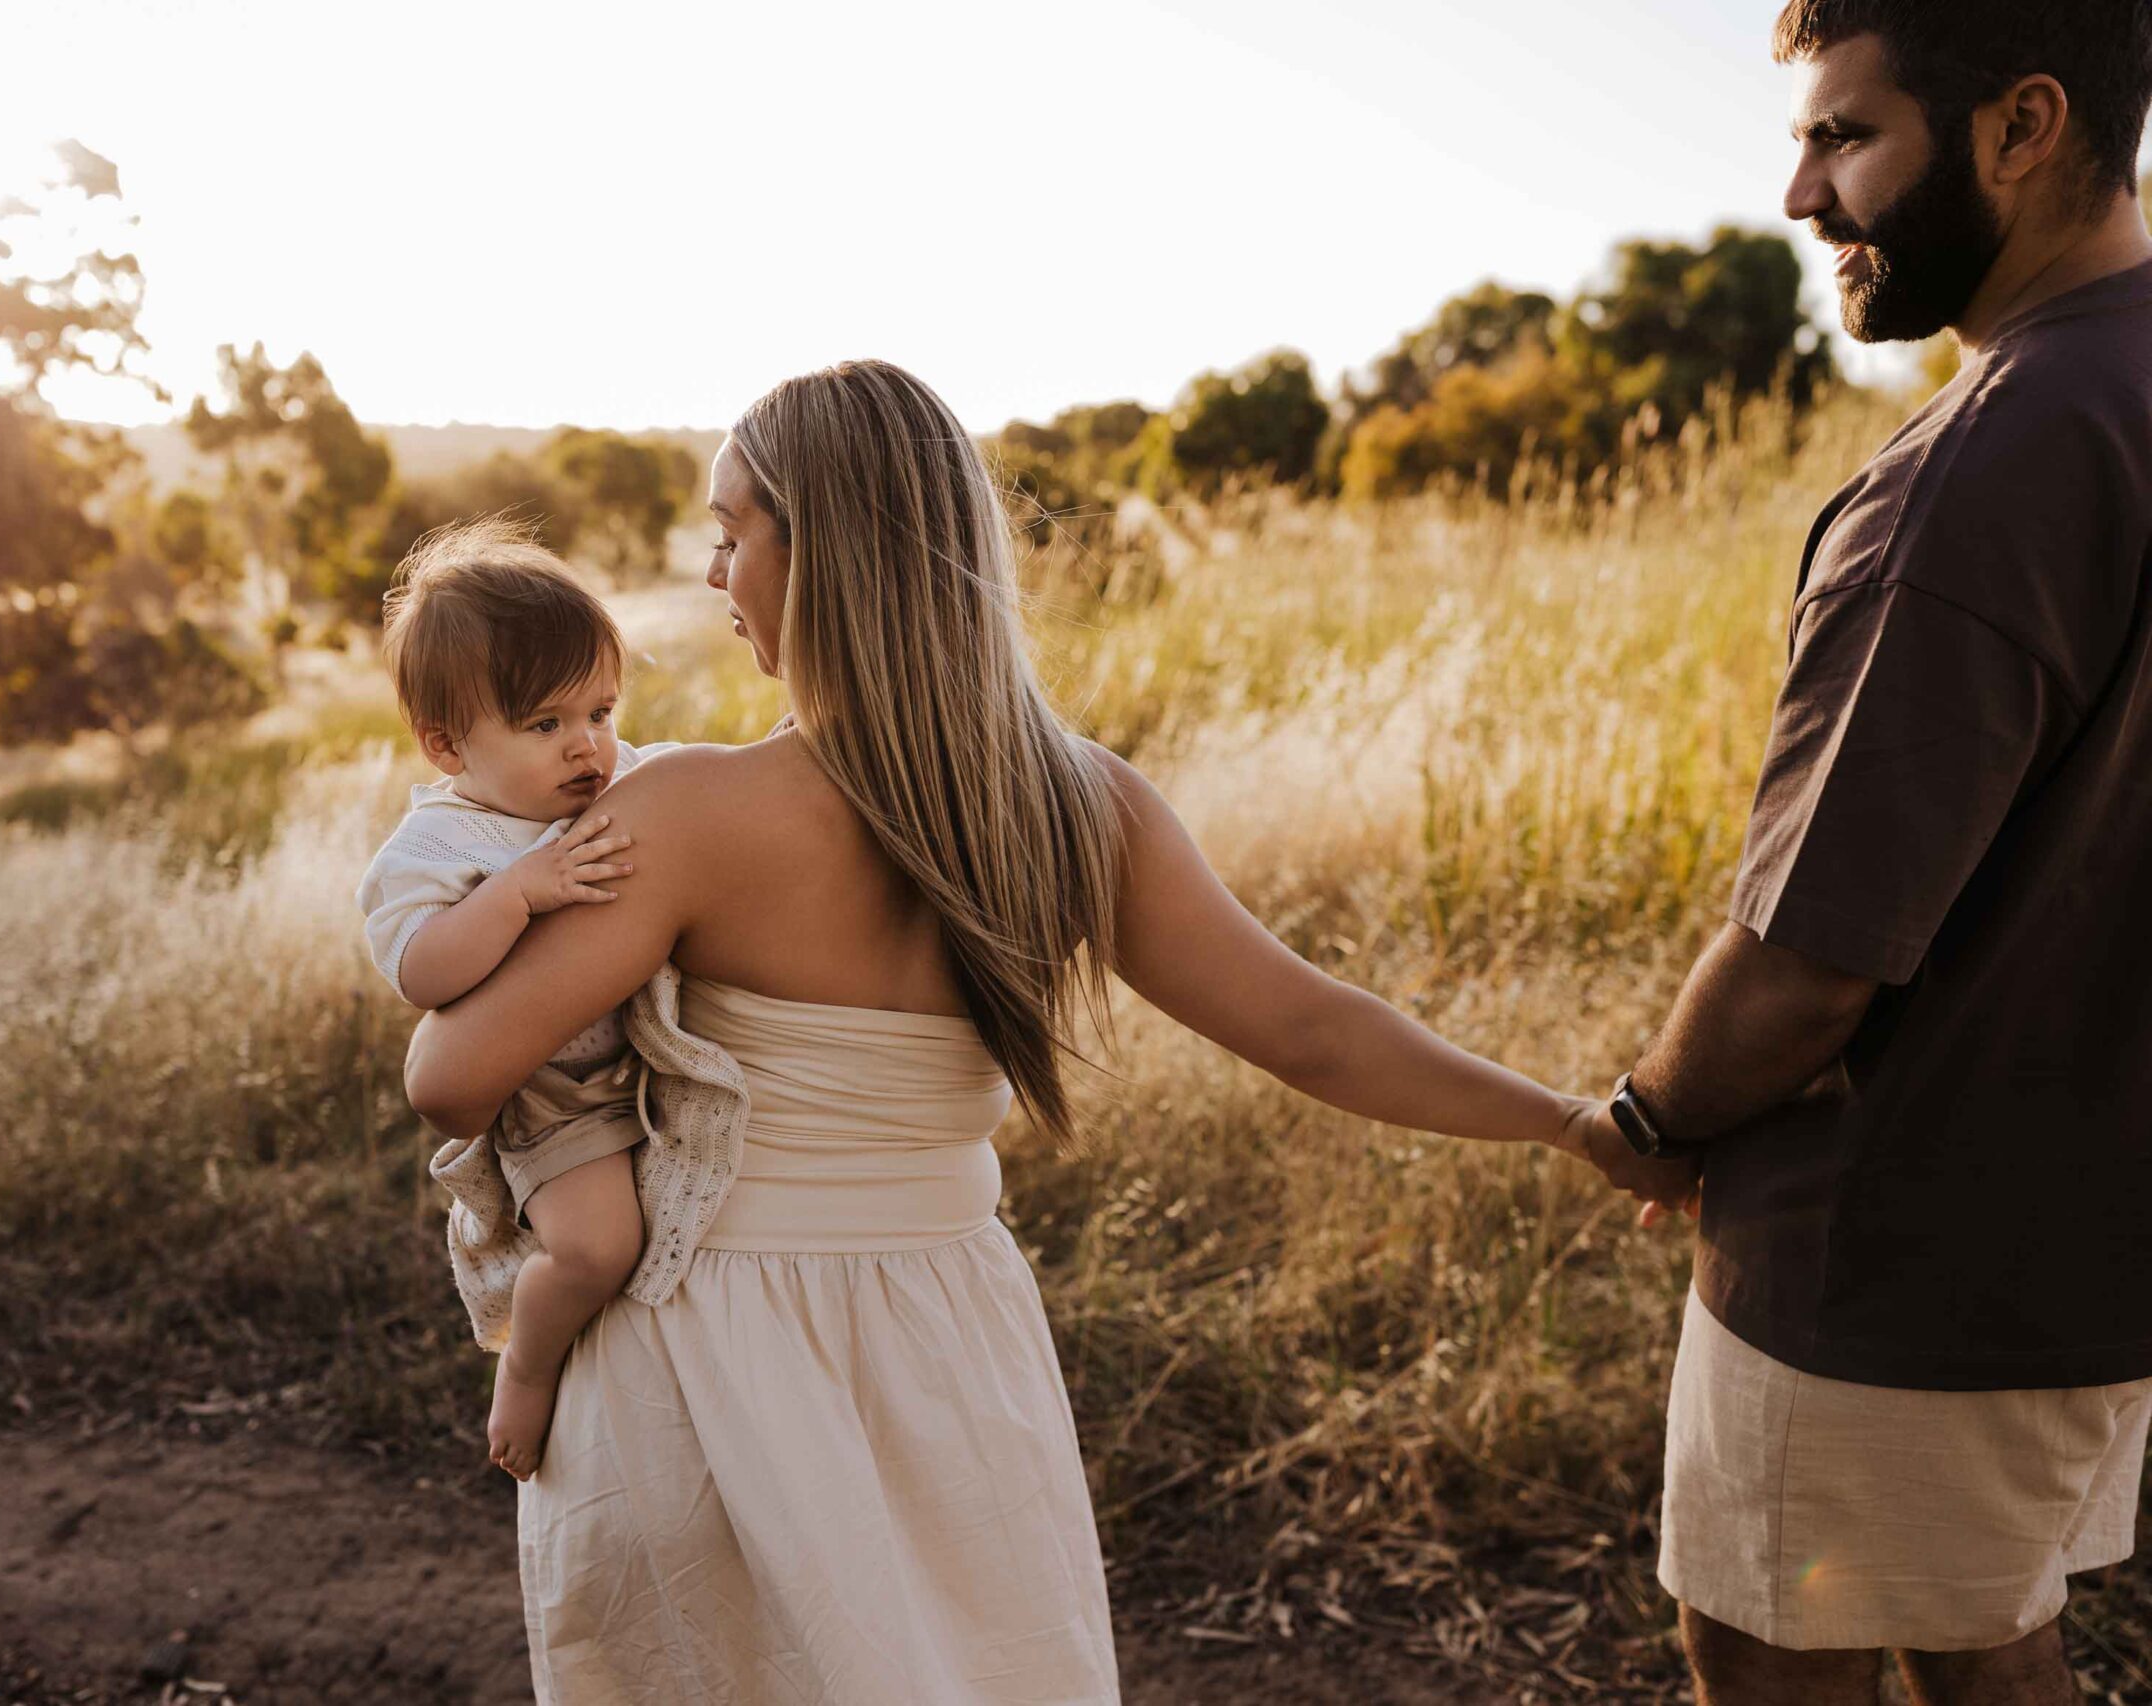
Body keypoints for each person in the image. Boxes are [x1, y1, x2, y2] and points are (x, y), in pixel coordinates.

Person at [405, 359, 1603, 1702]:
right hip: (949, 1344)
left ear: (829, 552)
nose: (711, 572)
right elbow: (1318, 1031)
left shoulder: (687, 811)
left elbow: (454, 1079)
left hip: (708, 1363)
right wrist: (1573, 1121)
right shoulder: (1089, 806)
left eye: (733, 534)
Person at [1575, 4, 2152, 1700]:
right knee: (1983, 1627)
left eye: (1846, 138)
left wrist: (1649, 1119)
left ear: (2021, 127)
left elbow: (1809, 965)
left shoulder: (1985, 469)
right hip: (2093, 1234)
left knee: (1767, 1653)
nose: (1798, 197)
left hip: (1894, 1246)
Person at [355, 519, 663, 1482]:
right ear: (447, 745)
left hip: (651, 1061)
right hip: (556, 1099)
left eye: (601, 713)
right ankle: (525, 1368)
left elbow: (705, 788)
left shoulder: (617, 784)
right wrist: (517, 893)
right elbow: (421, 970)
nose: (587, 748)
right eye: (545, 725)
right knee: (599, 1248)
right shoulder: (443, 848)